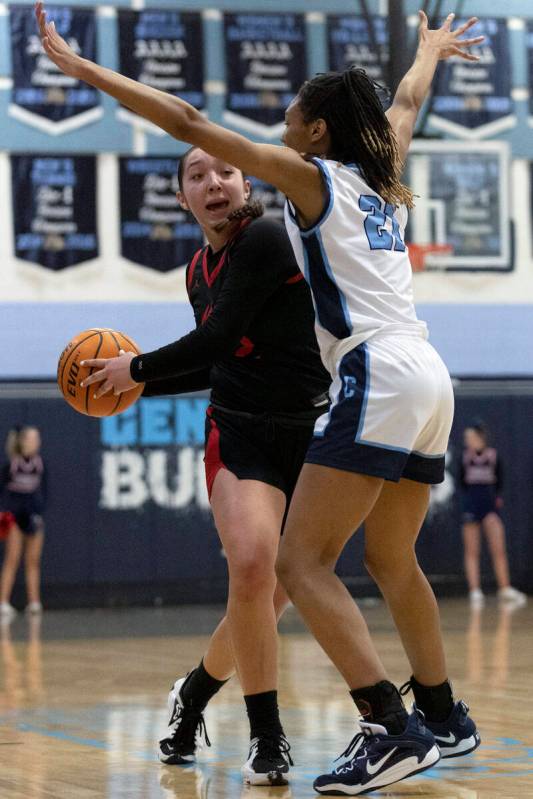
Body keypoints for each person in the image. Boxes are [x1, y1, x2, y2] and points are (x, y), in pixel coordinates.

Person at [36, 4, 484, 794]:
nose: (276, 124)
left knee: (298, 560)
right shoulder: (380, 177)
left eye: (288, 115)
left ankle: (389, 724)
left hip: (373, 368)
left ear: (314, 133)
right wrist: (428, 54)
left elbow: (186, 118)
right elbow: (405, 107)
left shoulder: (307, 183)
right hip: (430, 373)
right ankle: (443, 712)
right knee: (388, 557)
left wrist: (85, 71)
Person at [89, 150, 330, 786]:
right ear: (183, 199)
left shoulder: (267, 239)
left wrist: (135, 371)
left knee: (271, 596)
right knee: (251, 567)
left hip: (309, 429)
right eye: (197, 175)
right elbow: (217, 364)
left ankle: (193, 694)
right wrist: (133, 387)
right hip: (240, 429)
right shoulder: (198, 269)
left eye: (225, 170)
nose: (213, 182)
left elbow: (218, 338)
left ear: (245, 183)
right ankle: (267, 737)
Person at [460, 422, 527, 607]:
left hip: (490, 507)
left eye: (470, 437)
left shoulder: (493, 456)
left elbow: (500, 483)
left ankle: (504, 588)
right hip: (471, 506)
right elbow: (462, 483)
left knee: (498, 549)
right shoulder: (465, 457)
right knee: (472, 551)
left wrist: (494, 502)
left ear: (480, 437)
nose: (467, 441)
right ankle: (475, 590)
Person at [0, 426, 46, 617]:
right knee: (12, 559)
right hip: (14, 517)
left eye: (38, 438)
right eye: (32, 438)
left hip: (33, 515)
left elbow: (44, 492)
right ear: (23, 441)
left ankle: (34, 602)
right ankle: (3, 602)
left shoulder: (39, 463)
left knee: (33, 561)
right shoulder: (12, 464)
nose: (37, 441)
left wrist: (39, 514)